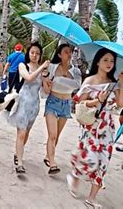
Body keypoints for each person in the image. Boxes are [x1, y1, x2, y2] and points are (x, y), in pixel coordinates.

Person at [66, 48, 123, 208]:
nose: (109, 63)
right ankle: (75, 176)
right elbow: (79, 102)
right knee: (89, 159)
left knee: (103, 162)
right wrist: (97, 101)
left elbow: (120, 104)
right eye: (106, 60)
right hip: (91, 125)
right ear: (98, 61)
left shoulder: (114, 83)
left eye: (112, 61)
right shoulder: (90, 81)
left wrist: (121, 85)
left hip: (107, 127)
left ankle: (92, 197)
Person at [6, 42, 50, 173]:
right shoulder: (22, 65)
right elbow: (29, 78)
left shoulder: (42, 71)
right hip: (22, 103)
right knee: (21, 133)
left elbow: (46, 91)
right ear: (28, 53)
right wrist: (41, 67)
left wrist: (46, 76)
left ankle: (17, 153)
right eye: (32, 52)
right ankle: (19, 163)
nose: (35, 55)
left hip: (34, 105)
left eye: (38, 53)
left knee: (26, 133)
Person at [42, 44, 82, 174]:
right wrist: (46, 78)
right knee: (52, 134)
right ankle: (52, 163)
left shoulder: (75, 71)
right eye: (66, 52)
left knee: (57, 134)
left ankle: (48, 156)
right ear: (59, 54)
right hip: (53, 101)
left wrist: (58, 82)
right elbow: (47, 87)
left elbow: (77, 85)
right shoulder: (52, 67)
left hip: (66, 104)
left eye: (70, 52)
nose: (69, 54)